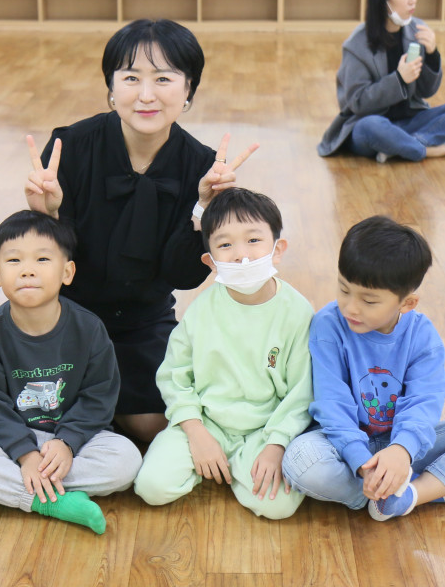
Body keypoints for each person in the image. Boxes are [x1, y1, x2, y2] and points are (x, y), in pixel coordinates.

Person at [25, 18, 257, 443]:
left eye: (164, 78)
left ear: (188, 90)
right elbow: (38, 269)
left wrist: (203, 210)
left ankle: (99, 413)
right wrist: (48, 217)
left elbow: (182, 277)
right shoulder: (70, 147)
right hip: (66, 317)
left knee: (156, 427)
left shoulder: (201, 166)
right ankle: (94, 412)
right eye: (131, 78)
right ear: (111, 87)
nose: (146, 95)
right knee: (38, 419)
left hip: (143, 324)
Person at [282, 216, 445, 520]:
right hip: (342, 446)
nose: (351, 307)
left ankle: (409, 495)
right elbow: (332, 403)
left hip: (400, 444)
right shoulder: (328, 324)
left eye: (369, 301)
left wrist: (402, 450)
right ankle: (397, 493)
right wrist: (363, 465)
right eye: (344, 290)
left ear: (407, 303)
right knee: (299, 461)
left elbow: (423, 402)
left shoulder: (422, 335)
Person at [0, 211, 142, 534]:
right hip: (11, 442)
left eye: (42, 259)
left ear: (67, 272)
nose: (28, 270)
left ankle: (0, 491)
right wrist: (25, 454)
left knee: (126, 459)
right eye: (14, 260)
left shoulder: (89, 329)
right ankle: (52, 500)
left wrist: (67, 442)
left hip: (73, 441)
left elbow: (99, 397)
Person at [132, 188, 313, 520]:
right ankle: (217, 462)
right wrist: (196, 432)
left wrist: (276, 444)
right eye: (225, 245)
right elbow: (174, 377)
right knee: (152, 487)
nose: (241, 255)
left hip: (264, 429)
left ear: (277, 249)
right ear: (210, 261)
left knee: (277, 507)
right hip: (207, 422)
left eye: (254, 240)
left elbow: (302, 392)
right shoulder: (200, 311)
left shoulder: (298, 313)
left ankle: (231, 466)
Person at [317, 0, 445, 163]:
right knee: (371, 126)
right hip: (370, 123)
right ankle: (432, 150)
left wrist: (432, 55)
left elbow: (427, 92)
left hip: (412, 120)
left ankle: (402, 146)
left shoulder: (417, 30)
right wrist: (398, 79)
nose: (413, 0)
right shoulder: (357, 44)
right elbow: (357, 103)